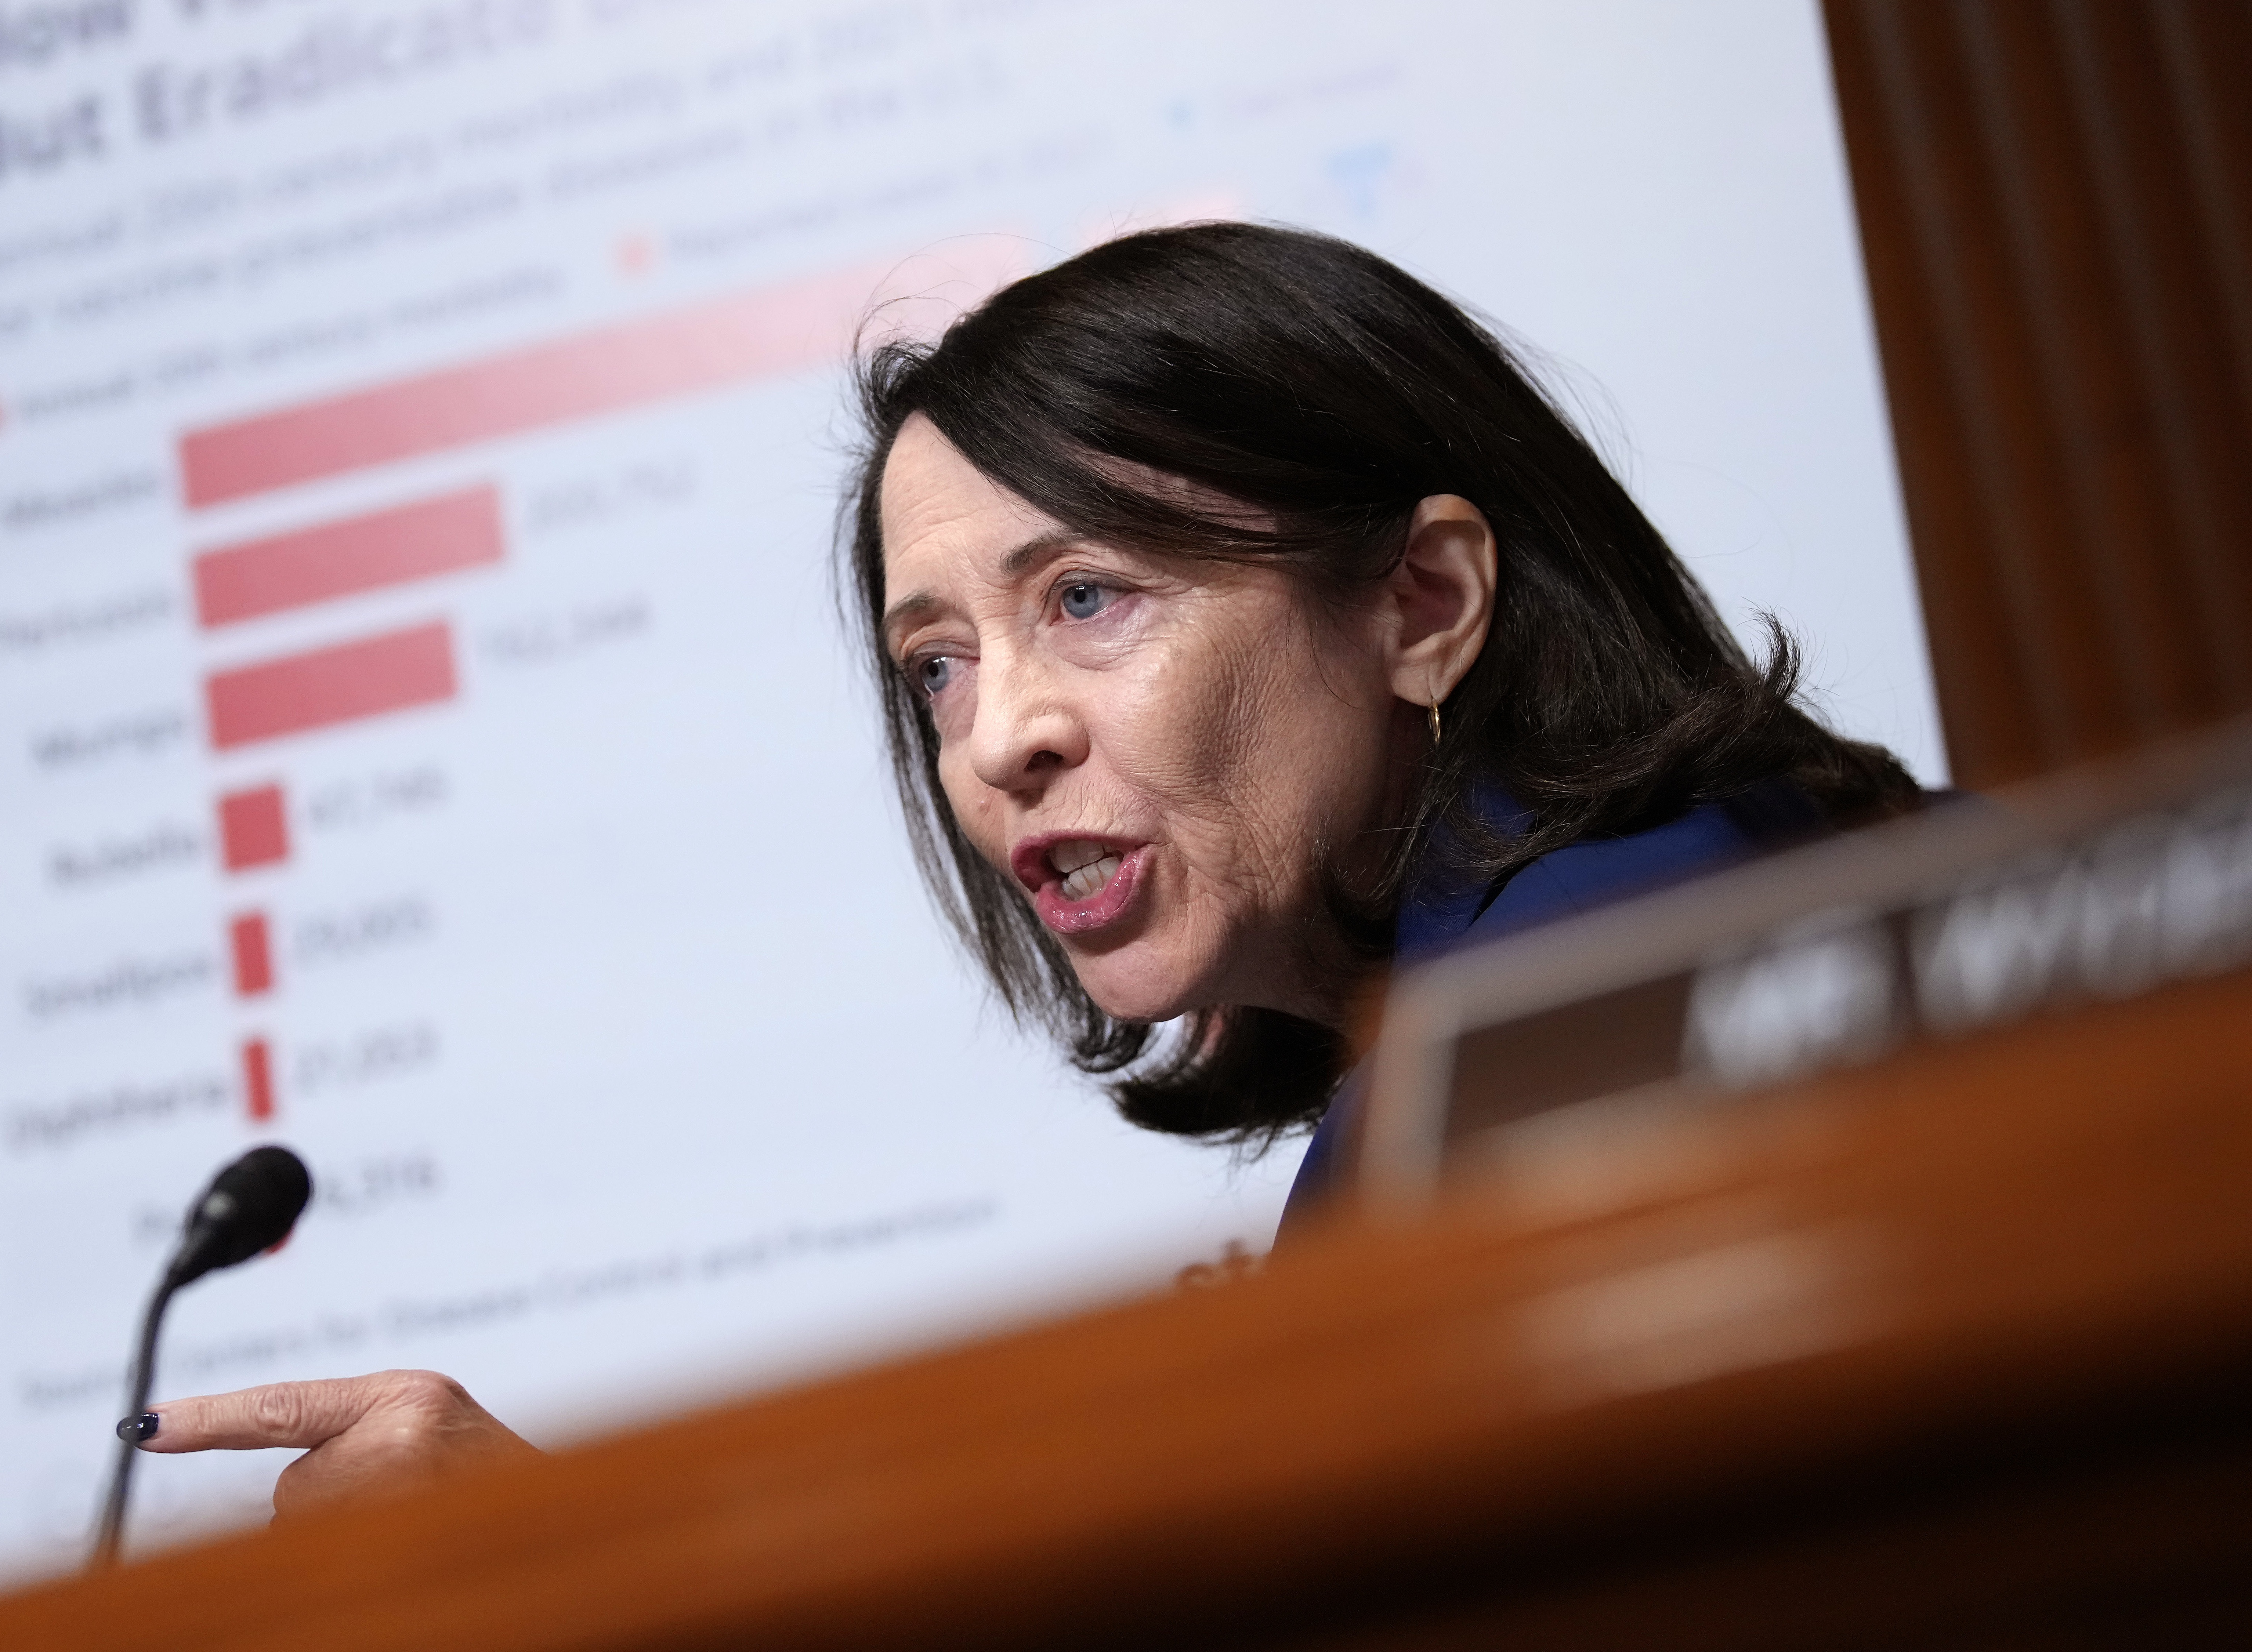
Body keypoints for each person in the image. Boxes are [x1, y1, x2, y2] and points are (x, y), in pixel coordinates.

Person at [114, 221, 1919, 1512]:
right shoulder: (1637, 933)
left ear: (1420, 603)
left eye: (1088, 597)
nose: (996, 739)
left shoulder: (1581, 1026)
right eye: (936, 664)